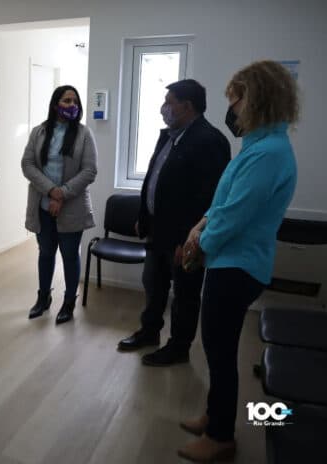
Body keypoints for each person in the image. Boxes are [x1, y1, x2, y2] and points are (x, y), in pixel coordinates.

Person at [177, 61, 299, 462]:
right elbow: (223, 202)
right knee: (217, 348)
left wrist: (199, 244)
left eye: (235, 99)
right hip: (229, 260)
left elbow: (236, 214)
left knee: (220, 352)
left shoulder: (268, 154)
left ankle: (220, 436)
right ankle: (215, 415)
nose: (231, 109)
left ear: (257, 99)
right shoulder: (258, 147)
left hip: (237, 266)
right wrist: (201, 224)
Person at [117, 79, 230, 366]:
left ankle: (179, 347)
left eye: (169, 102)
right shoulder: (169, 136)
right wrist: (143, 216)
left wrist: (187, 240)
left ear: (187, 106)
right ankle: (149, 332)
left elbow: (209, 197)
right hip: (157, 230)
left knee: (185, 294)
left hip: (184, 237)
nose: (163, 108)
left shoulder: (210, 141)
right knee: (153, 285)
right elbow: (154, 179)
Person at [22, 85, 98, 325]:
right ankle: (43, 298)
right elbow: (27, 164)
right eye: (66, 101)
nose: (71, 105)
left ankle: (68, 302)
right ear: (56, 105)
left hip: (71, 207)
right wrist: (51, 191)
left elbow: (90, 170)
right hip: (42, 206)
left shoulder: (84, 134)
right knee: (45, 253)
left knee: (69, 255)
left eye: (75, 101)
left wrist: (61, 194)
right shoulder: (39, 132)